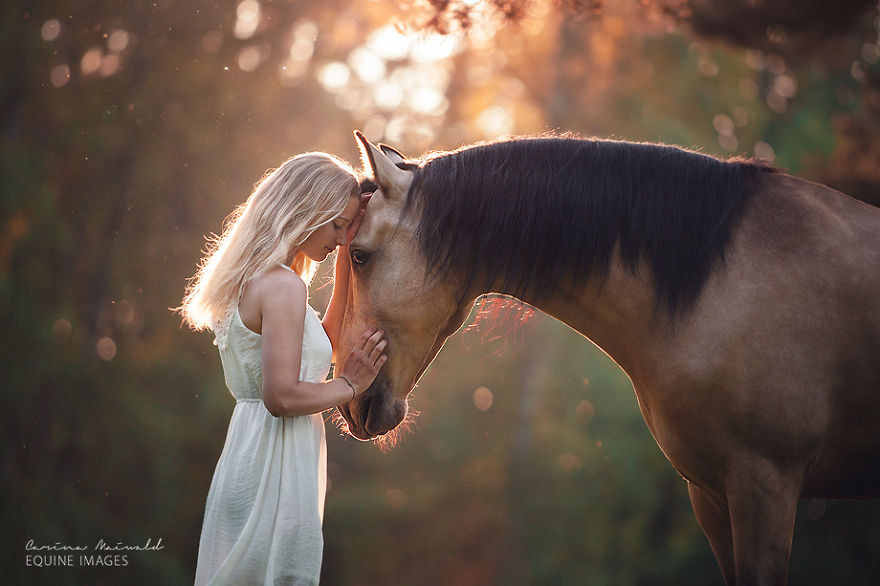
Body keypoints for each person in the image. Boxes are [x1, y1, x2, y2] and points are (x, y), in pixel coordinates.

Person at [178, 152, 386, 585]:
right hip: (275, 462)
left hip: (249, 452)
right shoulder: (283, 287)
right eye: (337, 226)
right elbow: (282, 396)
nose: (341, 239)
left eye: (347, 228)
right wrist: (350, 385)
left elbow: (322, 345)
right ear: (306, 210)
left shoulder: (255, 279)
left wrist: (347, 261)